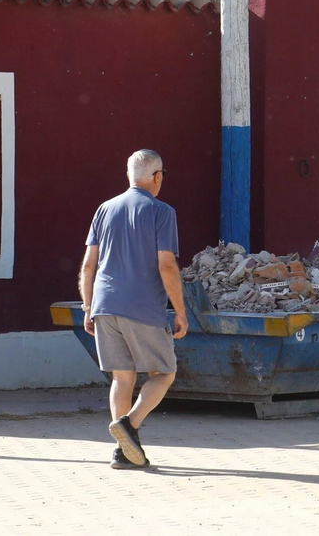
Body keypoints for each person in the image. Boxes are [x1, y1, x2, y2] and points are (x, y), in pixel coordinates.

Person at [80, 149, 188, 470]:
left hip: (104, 304)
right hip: (142, 306)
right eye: (162, 176)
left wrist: (88, 308)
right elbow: (167, 265)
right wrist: (180, 310)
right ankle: (130, 423)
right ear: (156, 177)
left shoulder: (104, 209)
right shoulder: (161, 211)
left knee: (121, 377)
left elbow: (89, 265)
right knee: (164, 372)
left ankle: (122, 452)